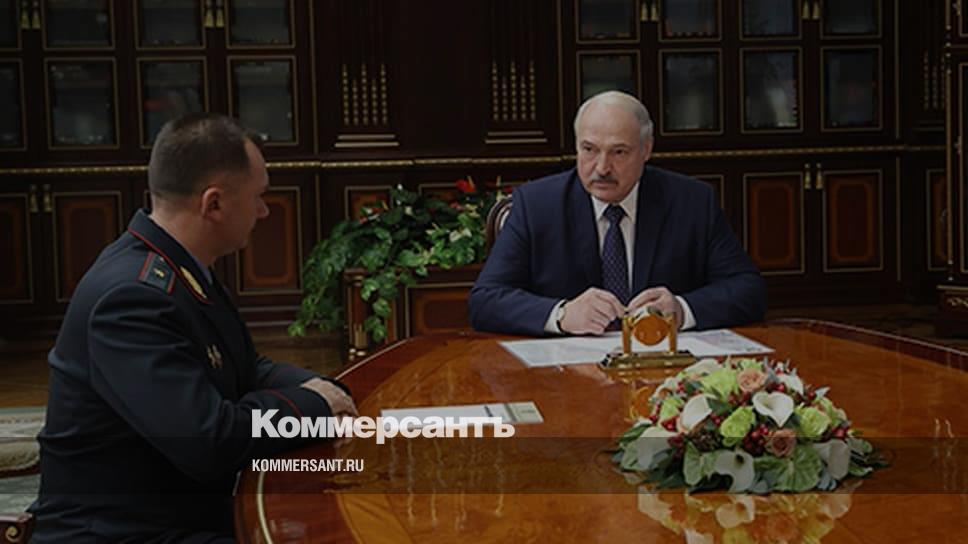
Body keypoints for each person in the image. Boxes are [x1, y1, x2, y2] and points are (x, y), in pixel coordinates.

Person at [29, 113, 357, 543]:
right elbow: (207, 440)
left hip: (180, 513)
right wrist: (315, 409)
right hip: (122, 532)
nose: (263, 211)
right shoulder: (130, 298)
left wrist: (327, 391)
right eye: (258, 197)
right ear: (213, 204)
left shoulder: (177, 266)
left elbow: (244, 368)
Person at [468, 91, 765, 336]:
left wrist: (681, 310)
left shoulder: (692, 202)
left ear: (646, 150)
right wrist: (562, 315)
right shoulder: (537, 205)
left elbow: (748, 290)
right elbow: (485, 300)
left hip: (662, 368)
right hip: (564, 372)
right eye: (589, 149)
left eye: (619, 152)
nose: (601, 168)